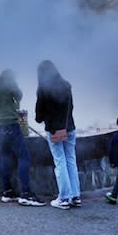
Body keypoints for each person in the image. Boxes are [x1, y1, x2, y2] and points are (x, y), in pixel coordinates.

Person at [0, 69, 45, 206]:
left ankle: (7, 192)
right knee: (24, 157)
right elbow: (19, 95)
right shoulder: (8, 82)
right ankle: (26, 194)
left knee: (5, 156)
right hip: (10, 125)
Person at [35, 60, 81, 209]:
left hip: (55, 130)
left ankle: (64, 198)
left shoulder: (43, 89)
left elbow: (39, 115)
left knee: (60, 162)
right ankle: (76, 196)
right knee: (71, 160)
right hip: (70, 127)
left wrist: (42, 119)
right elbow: (71, 107)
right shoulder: (66, 86)